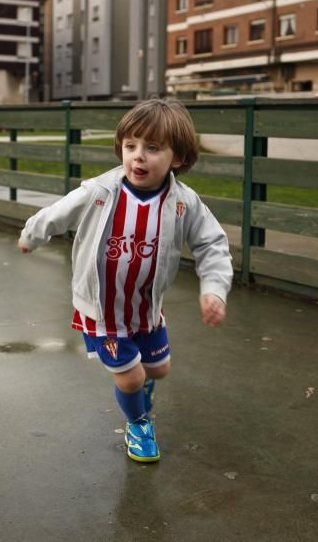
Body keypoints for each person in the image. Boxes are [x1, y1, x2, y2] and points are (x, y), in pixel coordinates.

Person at [18, 99, 233, 463]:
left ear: (177, 158)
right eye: (130, 146)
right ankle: (138, 424)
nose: (138, 157)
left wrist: (214, 290)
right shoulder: (100, 192)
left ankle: (138, 383)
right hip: (103, 312)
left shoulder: (184, 203)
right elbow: (58, 212)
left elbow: (212, 243)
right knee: (130, 378)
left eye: (152, 148)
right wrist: (32, 235)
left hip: (146, 310)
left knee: (158, 371)